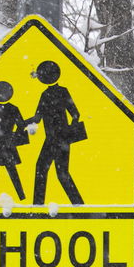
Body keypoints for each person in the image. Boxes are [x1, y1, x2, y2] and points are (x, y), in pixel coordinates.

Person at [25, 59, 85, 205]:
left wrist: (70, 132)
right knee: (53, 172)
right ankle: (78, 206)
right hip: (55, 139)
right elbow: (38, 118)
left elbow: (75, 113)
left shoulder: (57, 92)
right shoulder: (47, 94)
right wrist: (22, 123)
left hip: (58, 139)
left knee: (53, 171)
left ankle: (78, 207)